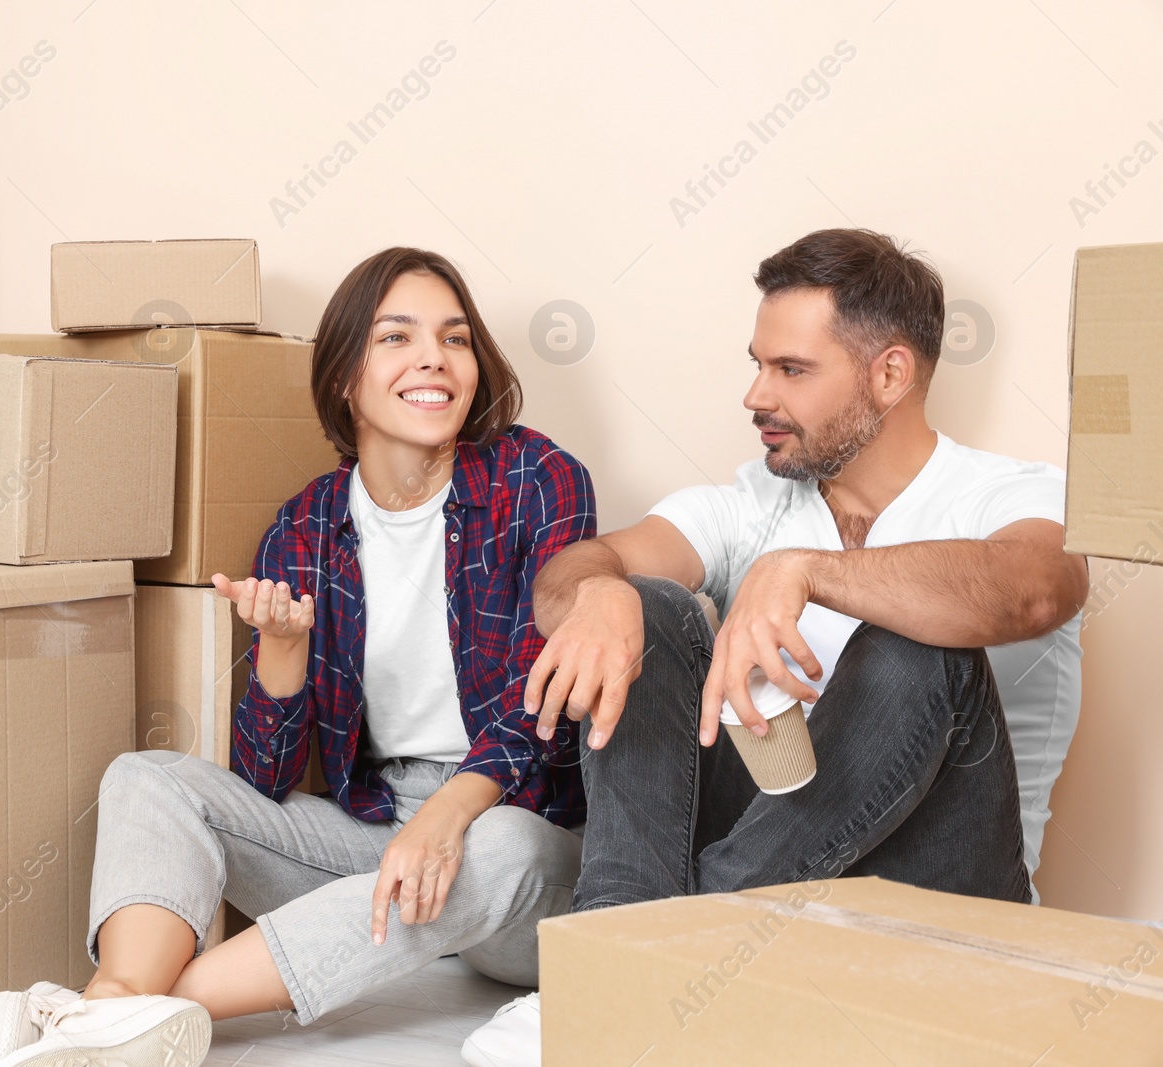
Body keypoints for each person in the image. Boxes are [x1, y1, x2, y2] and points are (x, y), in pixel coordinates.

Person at [460, 228, 1088, 1067]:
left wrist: (810, 574)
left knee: (921, 650)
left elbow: (1034, 587)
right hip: (773, 898)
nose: (757, 394)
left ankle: (638, 968)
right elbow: (572, 575)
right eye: (757, 364)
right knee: (643, 603)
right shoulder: (754, 499)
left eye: (791, 370)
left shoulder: (1013, 491)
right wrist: (602, 591)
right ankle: (612, 951)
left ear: (890, 374)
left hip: (943, 905)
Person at [0, 247, 595, 1067]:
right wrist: (282, 650)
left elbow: (543, 712)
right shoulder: (304, 529)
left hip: (518, 850)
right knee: (148, 777)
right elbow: (263, 780)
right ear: (345, 376)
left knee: (506, 843)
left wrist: (449, 819)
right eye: (396, 338)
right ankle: (116, 1004)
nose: (433, 360)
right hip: (379, 828)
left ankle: (155, 1012)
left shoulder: (537, 478)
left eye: (455, 339)